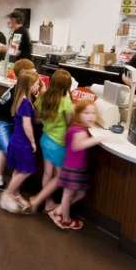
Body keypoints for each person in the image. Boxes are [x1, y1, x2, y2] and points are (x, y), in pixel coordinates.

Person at [47, 99, 103, 231]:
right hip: (73, 168)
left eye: (93, 113)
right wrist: (97, 139)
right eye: (86, 113)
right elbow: (77, 146)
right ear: (78, 115)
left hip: (75, 167)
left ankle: (58, 211)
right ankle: (66, 220)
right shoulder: (80, 131)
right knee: (67, 195)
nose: (91, 116)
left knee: (81, 193)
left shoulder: (75, 127)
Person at [0, 70, 41, 214]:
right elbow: (27, 125)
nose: (39, 85)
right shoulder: (26, 103)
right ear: (30, 85)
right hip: (23, 142)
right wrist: (33, 142)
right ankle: (7, 194)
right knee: (26, 170)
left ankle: (16, 195)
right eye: (37, 83)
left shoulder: (20, 98)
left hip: (16, 140)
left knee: (18, 170)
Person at [0, 59, 36, 191]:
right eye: (32, 71)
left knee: (4, 150)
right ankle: (10, 186)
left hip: (7, 121)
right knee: (8, 150)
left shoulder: (20, 88)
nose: (35, 72)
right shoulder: (21, 92)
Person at [30, 69, 74, 213]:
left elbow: (36, 113)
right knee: (60, 176)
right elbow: (70, 122)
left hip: (45, 139)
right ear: (67, 86)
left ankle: (48, 203)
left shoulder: (42, 97)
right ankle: (38, 199)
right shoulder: (65, 101)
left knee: (47, 174)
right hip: (58, 144)